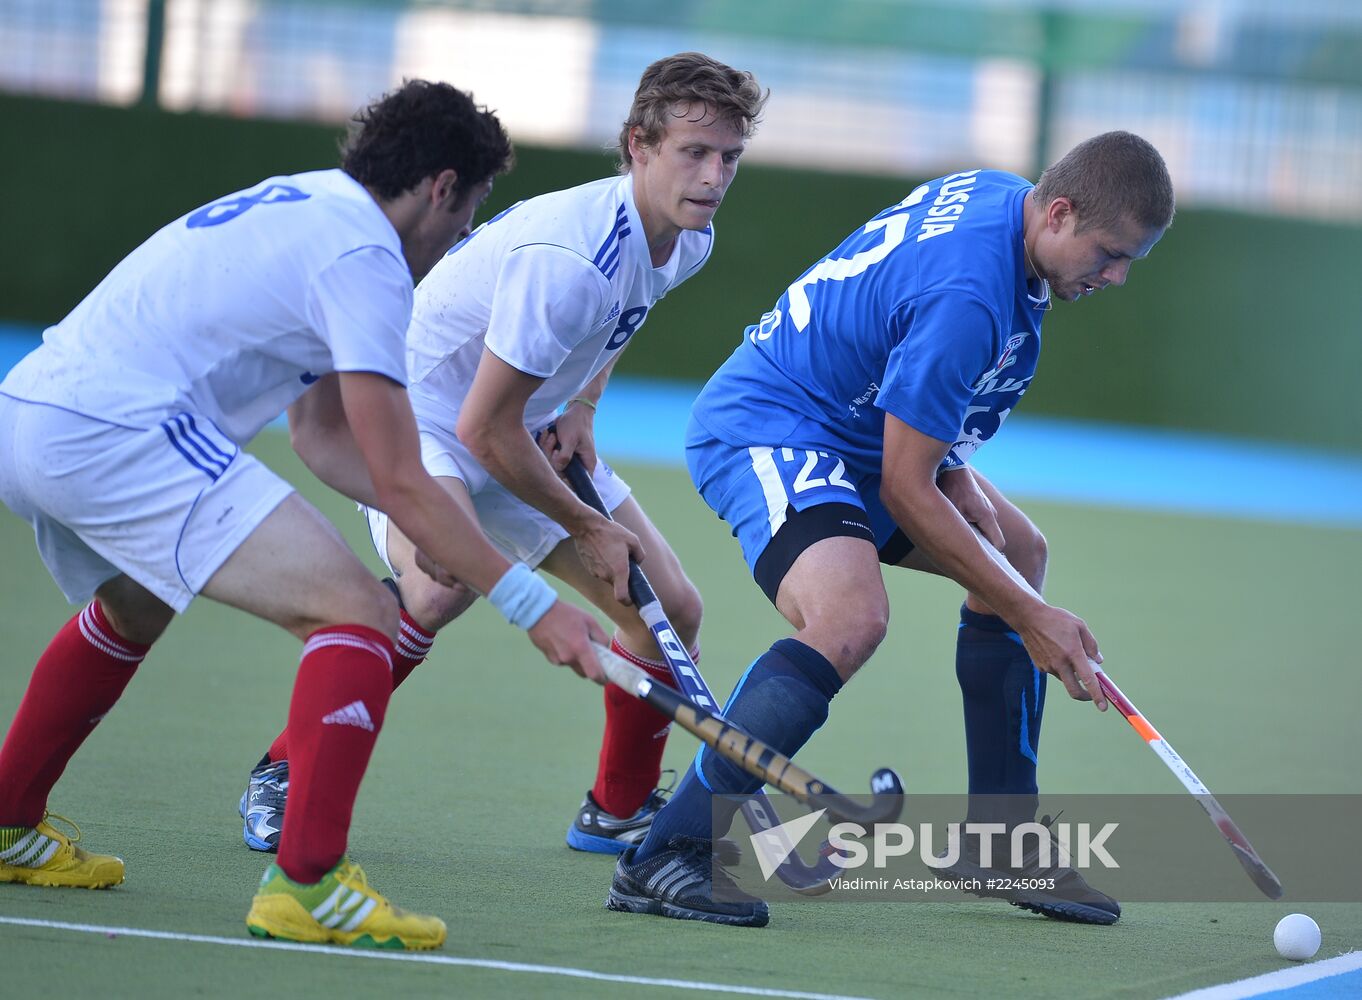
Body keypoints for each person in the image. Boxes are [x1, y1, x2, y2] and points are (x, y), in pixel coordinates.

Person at [0, 80, 611, 951]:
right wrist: (531, 602)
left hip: (31, 412)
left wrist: (438, 530)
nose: (466, 234)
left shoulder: (313, 209)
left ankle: (8, 823)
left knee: (137, 601)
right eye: (471, 207)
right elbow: (402, 476)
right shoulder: (365, 259)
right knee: (361, 610)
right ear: (440, 186)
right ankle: (309, 883)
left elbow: (321, 435)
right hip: (118, 432)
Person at [606, 131, 1175, 928]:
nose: (1115, 276)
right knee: (850, 617)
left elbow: (906, 386)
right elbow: (907, 490)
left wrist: (959, 479)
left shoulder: (1001, 200)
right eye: (1110, 253)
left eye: (1130, 263)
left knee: (1019, 551)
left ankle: (1001, 841)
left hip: (858, 432)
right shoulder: (970, 298)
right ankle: (671, 852)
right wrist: (1028, 615)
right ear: (1058, 211)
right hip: (773, 427)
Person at [236, 53, 768, 858]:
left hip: (520, 418)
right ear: (638, 145)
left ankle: (616, 809)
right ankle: (284, 769)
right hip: (425, 418)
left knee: (672, 610)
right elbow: (483, 428)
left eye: (729, 156)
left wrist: (583, 404)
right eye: (694, 153)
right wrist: (588, 525)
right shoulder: (569, 259)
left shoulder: (685, 240)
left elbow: (619, 317)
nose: (714, 175)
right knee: (438, 589)